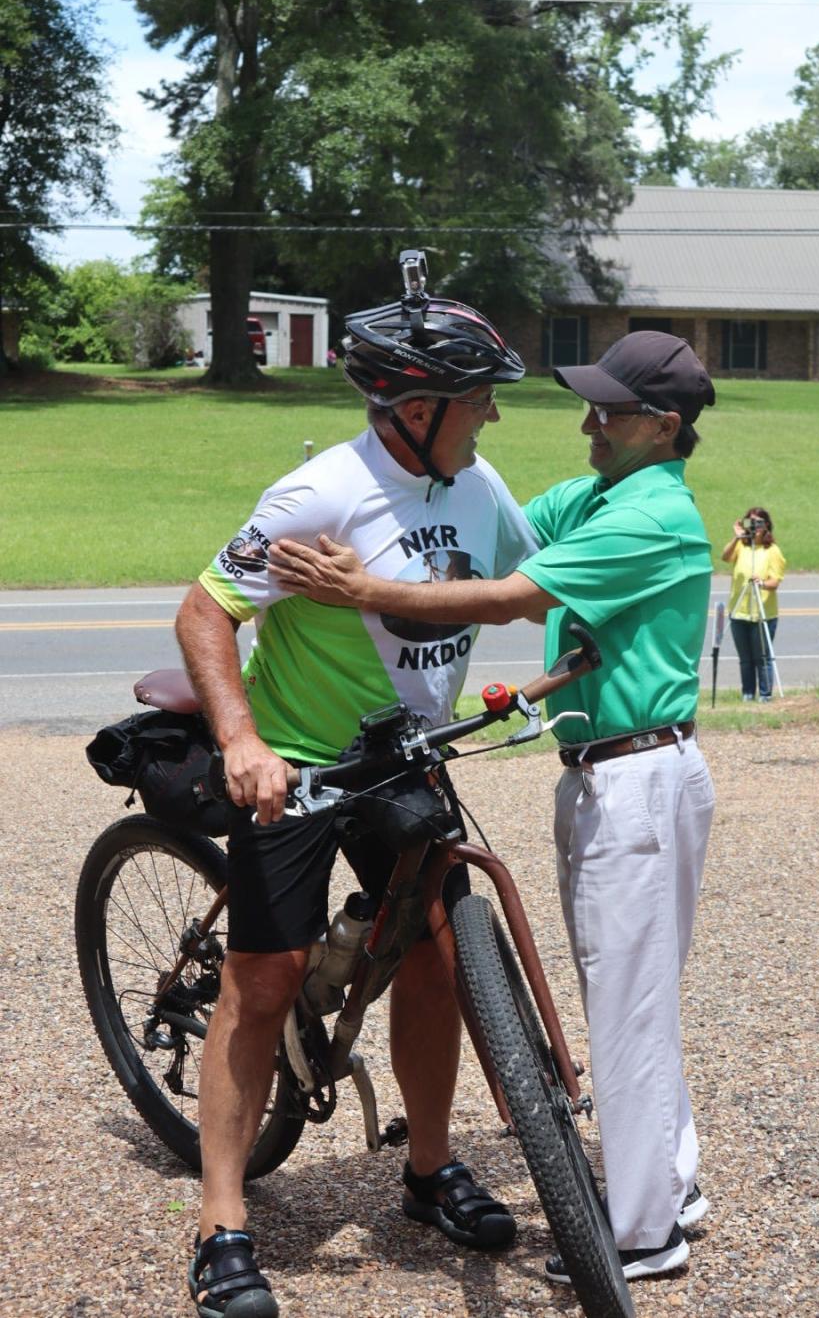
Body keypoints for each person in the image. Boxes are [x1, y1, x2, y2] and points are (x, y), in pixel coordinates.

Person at [269, 329, 718, 1285]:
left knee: (626, 1007)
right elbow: (486, 516)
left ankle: (641, 1234)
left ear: (663, 426)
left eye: (610, 410)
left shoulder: (651, 514)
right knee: (638, 993)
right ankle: (669, 1184)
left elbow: (512, 595)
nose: (588, 422)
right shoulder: (604, 494)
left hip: (634, 777)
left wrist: (365, 588)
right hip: (624, 770)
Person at [175, 255, 538, 1318]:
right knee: (266, 978)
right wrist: (242, 739)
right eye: (479, 402)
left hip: (405, 759)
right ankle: (223, 1218)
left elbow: (526, 580)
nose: (492, 419)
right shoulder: (323, 489)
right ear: (417, 406)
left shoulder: (478, 484)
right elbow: (205, 612)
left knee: (432, 960)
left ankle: (427, 1167)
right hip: (302, 762)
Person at [720, 507, 786, 701]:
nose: (755, 527)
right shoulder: (742, 546)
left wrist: (763, 583)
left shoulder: (772, 551)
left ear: (766, 526)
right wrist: (737, 537)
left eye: (759, 523)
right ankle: (747, 694)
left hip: (762, 612)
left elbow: (776, 581)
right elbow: (725, 557)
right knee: (745, 660)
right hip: (739, 611)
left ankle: (765, 695)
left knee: (763, 657)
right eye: (751, 522)